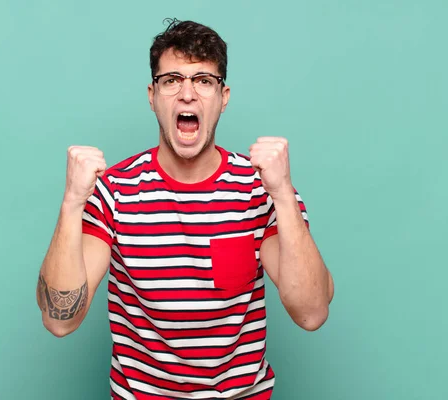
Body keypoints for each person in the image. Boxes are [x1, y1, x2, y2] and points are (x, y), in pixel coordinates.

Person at [36, 18, 334, 400]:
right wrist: (71, 203)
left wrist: (282, 195)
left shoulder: (261, 189)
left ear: (223, 98)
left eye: (204, 81)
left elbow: (312, 313)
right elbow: (59, 321)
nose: (187, 95)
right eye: (172, 80)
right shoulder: (113, 191)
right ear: (152, 95)